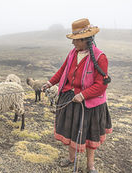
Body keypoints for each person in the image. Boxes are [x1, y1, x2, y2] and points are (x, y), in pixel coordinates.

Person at [42, 18, 112, 173]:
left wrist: (84, 95)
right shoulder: (73, 53)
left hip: (89, 104)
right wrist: (50, 83)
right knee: (70, 131)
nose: (73, 44)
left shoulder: (100, 57)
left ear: (85, 40)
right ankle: (71, 158)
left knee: (89, 135)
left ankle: (90, 166)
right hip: (70, 97)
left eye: (75, 41)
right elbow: (62, 71)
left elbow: (101, 85)